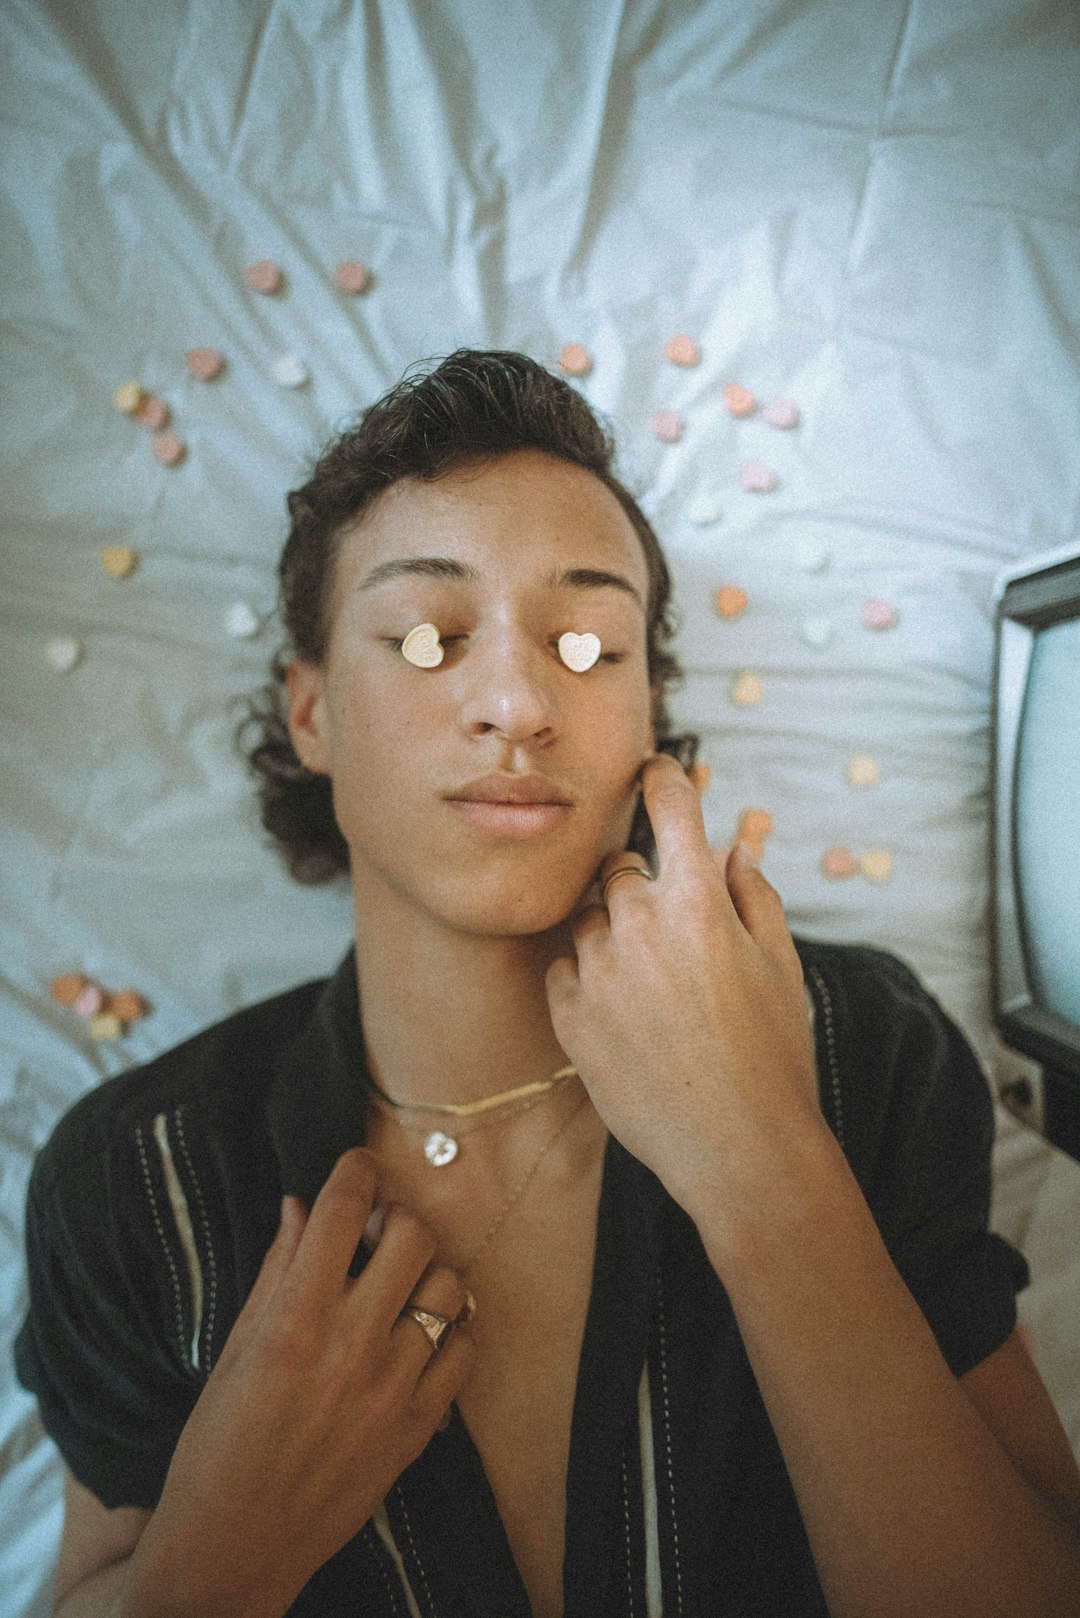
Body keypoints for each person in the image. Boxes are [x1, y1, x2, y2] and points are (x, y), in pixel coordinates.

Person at [15, 350, 1080, 1618]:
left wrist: (764, 1162)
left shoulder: (854, 1043)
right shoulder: (142, 1180)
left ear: (647, 720)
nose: (517, 700)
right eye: (425, 635)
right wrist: (214, 1554)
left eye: (587, 641)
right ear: (310, 713)